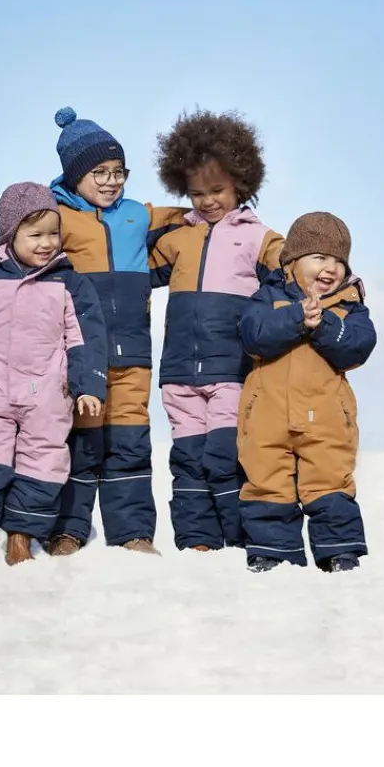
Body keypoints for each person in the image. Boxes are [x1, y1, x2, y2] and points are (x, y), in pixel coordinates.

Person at [0, 108, 184, 555]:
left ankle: (133, 532)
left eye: (119, 171)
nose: (111, 181)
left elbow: (195, 215)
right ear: (75, 175)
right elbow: (5, 249)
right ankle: (67, 530)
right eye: (100, 172)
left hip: (132, 351)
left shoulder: (138, 214)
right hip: (75, 354)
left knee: (130, 443)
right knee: (77, 443)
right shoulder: (55, 215)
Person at [0, 182, 108, 566]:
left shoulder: (69, 283)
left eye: (53, 233)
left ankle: (21, 538)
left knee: (42, 465)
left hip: (48, 396)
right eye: (35, 235)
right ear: (10, 235)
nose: (47, 243)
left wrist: (87, 385)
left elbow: (86, 339)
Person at [150, 108, 284, 552]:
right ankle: (198, 542)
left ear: (241, 184)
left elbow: (295, 269)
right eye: (196, 193)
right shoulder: (177, 238)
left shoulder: (258, 237)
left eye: (217, 190)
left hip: (231, 370)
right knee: (188, 460)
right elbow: (126, 270)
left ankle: (241, 538)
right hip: (178, 373)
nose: (207, 201)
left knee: (225, 456)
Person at [236, 211, 377, 573]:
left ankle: (339, 552)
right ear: (293, 262)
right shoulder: (267, 297)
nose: (331, 268)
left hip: (326, 418)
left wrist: (323, 323)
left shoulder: (348, 307)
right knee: (266, 480)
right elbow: (254, 335)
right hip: (267, 415)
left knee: (330, 480)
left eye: (339, 261)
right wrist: (296, 318)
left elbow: (358, 347)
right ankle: (271, 552)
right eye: (319, 257)